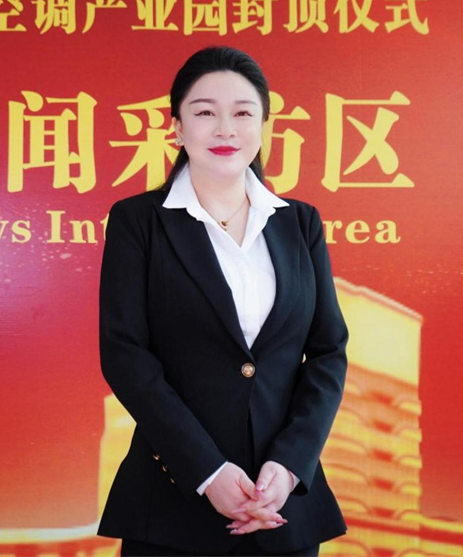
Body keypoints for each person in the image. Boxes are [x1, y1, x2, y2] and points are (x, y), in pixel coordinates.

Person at [97, 46, 348, 556]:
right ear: (177, 127)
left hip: (281, 510)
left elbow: (328, 352)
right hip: (171, 508)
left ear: (263, 125)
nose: (225, 129)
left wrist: (290, 465)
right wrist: (206, 471)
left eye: (243, 113)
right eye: (205, 112)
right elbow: (125, 355)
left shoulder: (300, 223)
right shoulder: (138, 221)